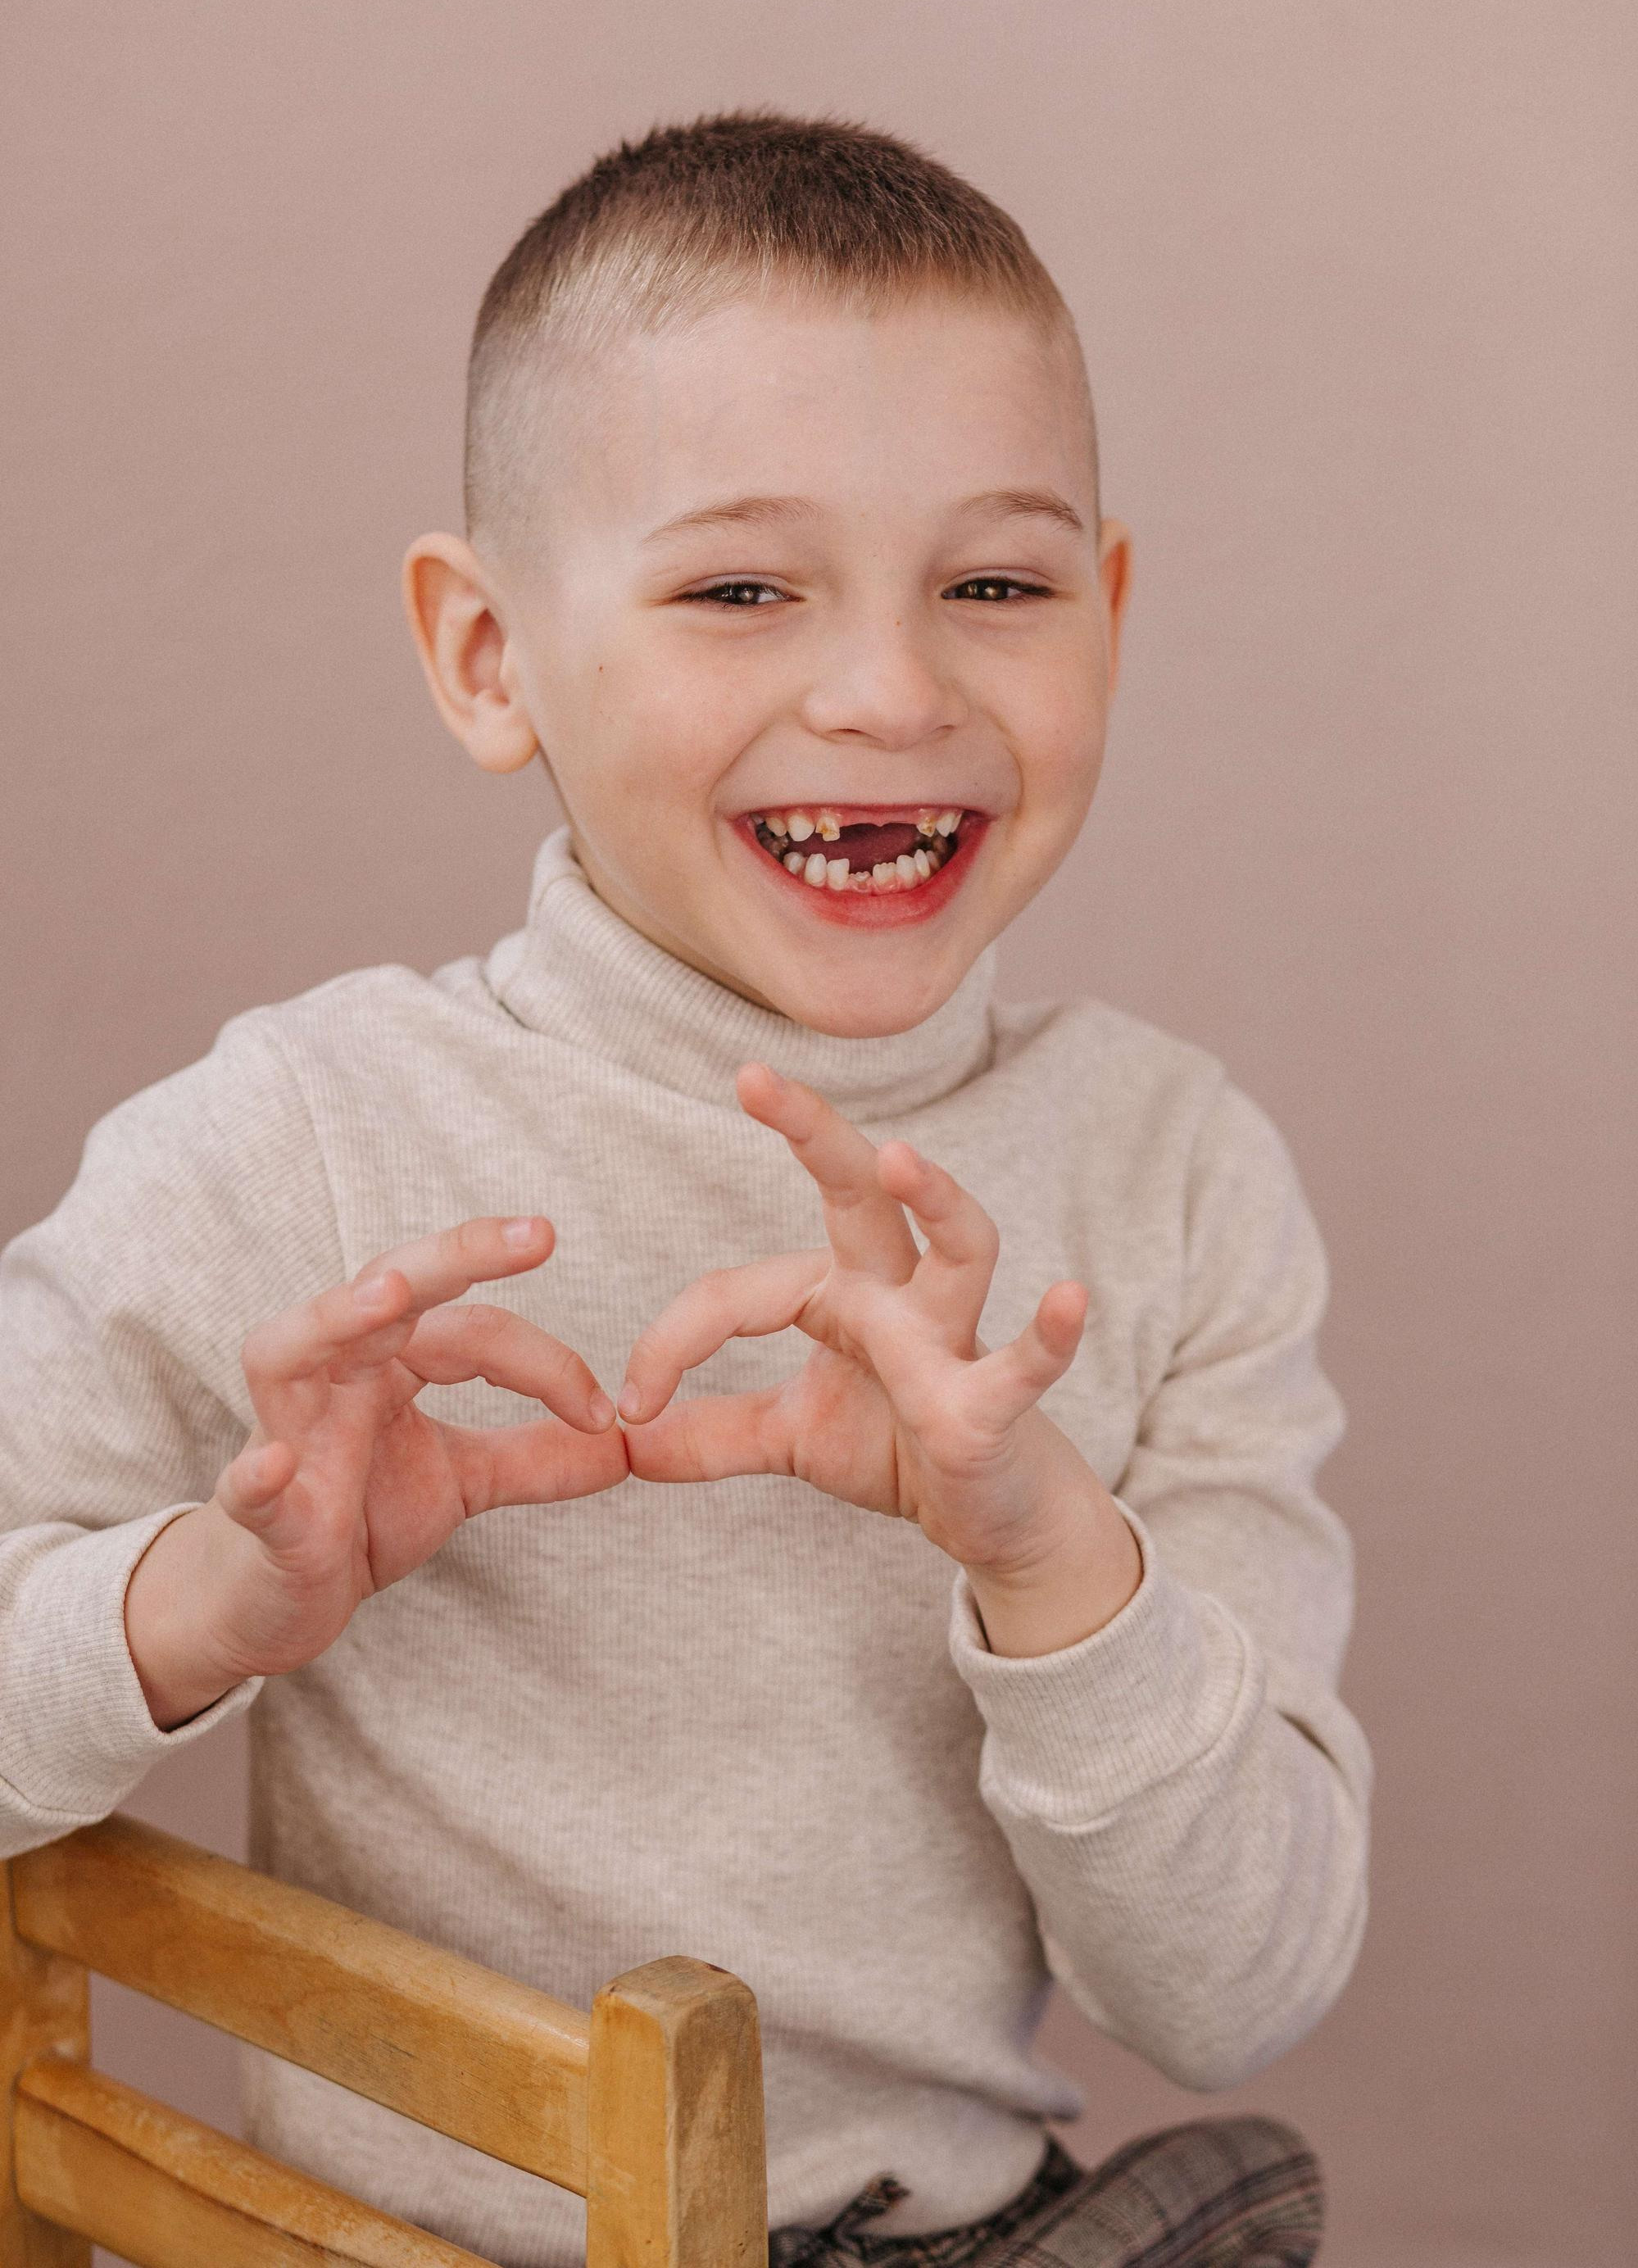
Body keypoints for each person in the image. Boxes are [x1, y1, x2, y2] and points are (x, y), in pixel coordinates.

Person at [0, 113, 1368, 2265]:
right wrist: (206, 1605)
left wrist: (1049, 1556)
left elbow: (1238, 1994)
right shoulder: (309, 1135)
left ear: (1106, 617)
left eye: (997, 587)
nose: (893, 691)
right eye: (742, 589)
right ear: (489, 656)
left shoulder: (1179, 1174)